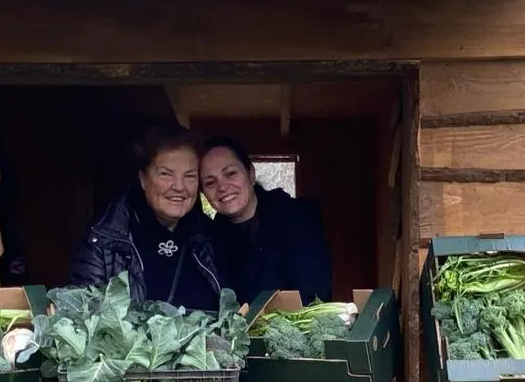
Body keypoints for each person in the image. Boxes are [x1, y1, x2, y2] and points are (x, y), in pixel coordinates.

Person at [71, 124, 222, 310]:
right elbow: (83, 317)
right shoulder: (104, 240)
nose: (179, 187)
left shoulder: (212, 237)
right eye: (166, 174)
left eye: (190, 176)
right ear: (143, 178)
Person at [200, 137, 333, 303]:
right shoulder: (205, 242)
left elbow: (314, 296)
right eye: (210, 182)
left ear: (251, 174)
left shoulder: (296, 220)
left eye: (230, 173)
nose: (223, 187)